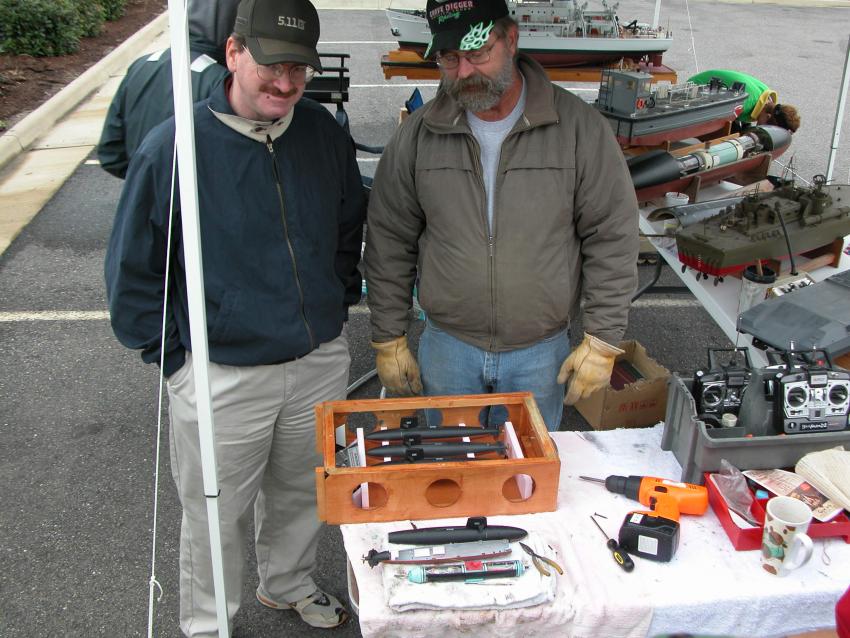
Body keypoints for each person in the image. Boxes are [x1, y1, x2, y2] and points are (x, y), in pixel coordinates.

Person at [104, 0, 365, 634]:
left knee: (303, 491)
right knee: (214, 512)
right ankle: (208, 622)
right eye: (271, 65)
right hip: (221, 372)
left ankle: (288, 584)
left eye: (298, 70)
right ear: (234, 52)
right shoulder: (175, 146)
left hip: (316, 360)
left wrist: (334, 302)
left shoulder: (322, 132)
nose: (285, 83)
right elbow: (134, 271)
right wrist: (176, 363)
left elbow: (346, 225)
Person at [364, 0, 638, 431]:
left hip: (540, 351)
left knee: (526, 470)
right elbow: (389, 240)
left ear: (511, 39)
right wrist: (388, 336)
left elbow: (612, 235)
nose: (464, 72)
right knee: (450, 465)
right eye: (450, 58)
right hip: (448, 346)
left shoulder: (578, 129)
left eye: (477, 53)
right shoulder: (417, 136)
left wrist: (602, 338)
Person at [97, 0, 240, 178]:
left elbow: (111, 153)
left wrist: (144, 181)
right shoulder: (221, 81)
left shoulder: (140, 66)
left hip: (141, 191)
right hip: (199, 193)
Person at [688, 69, 801, 132]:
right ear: (767, 116)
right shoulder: (745, 103)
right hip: (693, 90)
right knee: (730, 133)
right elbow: (718, 121)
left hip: (720, 96)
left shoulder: (766, 98)